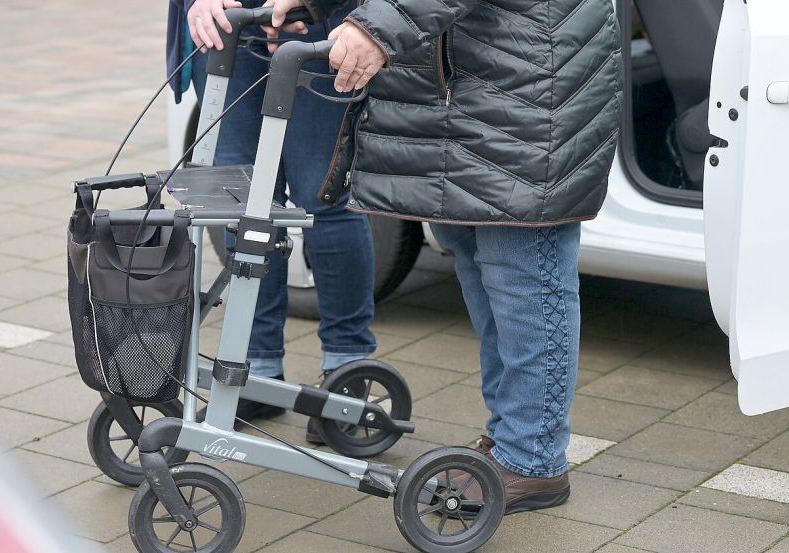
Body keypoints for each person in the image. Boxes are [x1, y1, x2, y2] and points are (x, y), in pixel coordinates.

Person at [267, 0, 622, 513]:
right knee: (487, 277)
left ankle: (534, 461)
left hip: (521, 87)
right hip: (467, 89)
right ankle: (510, 442)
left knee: (525, 284)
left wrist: (376, 25)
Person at [166, 0, 377, 428]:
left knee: (324, 197)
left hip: (319, 19)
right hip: (225, 22)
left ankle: (348, 372)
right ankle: (256, 368)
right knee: (239, 203)